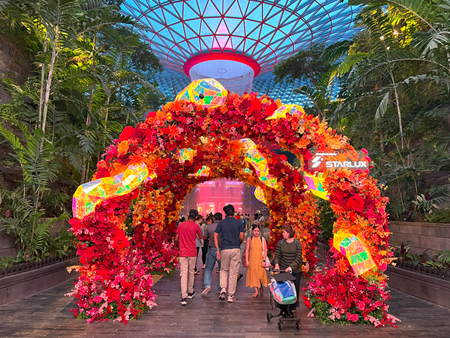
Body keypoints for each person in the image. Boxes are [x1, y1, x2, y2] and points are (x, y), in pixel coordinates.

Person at [214, 204, 244, 303]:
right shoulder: (239, 223)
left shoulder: (222, 223)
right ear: (234, 212)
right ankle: (230, 295)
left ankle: (223, 289)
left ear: (225, 213)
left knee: (223, 270)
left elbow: (215, 235)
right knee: (233, 273)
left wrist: (218, 249)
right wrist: (238, 243)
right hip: (235, 249)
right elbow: (242, 237)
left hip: (224, 249)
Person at [273, 224, 309, 304]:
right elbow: (277, 255)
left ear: (289, 233)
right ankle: (283, 305)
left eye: (284, 232)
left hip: (295, 270)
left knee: (294, 289)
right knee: (284, 288)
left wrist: (291, 267)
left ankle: (294, 305)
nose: (283, 234)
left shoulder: (297, 243)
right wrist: (277, 264)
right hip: (283, 269)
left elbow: (298, 257)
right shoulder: (281, 243)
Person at [175, 209, 202, 306]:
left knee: (183, 274)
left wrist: (179, 246)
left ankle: (184, 296)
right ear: (195, 217)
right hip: (192, 252)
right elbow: (200, 236)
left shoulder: (181, 225)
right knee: (191, 273)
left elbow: (176, 238)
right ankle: (190, 291)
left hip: (183, 252)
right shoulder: (196, 226)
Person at [244, 224, 269, 298]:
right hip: (252, 260)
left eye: (258, 231)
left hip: (260, 259)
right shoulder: (249, 239)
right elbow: (247, 250)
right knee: (254, 275)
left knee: (260, 275)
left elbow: (265, 250)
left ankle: (260, 285)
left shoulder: (262, 239)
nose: (256, 232)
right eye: (255, 231)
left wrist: (264, 260)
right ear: (252, 231)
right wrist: (247, 260)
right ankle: (256, 291)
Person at [201, 212, 223, 296]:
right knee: (222, 270)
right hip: (222, 249)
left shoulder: (209, 227)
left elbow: (205, 237)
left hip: (212, 249)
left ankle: (207, 285)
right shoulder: (223, 227)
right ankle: (220, 287)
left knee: (208, 268)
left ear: (214, 218)